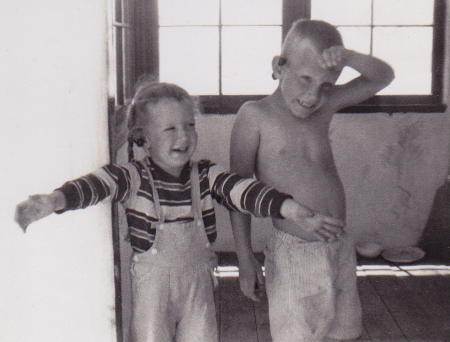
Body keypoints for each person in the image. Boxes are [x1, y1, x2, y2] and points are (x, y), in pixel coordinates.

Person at [14, 80, 345, 342]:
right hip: (151, 291)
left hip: (198, 286)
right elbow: (96, 184)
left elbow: (242, 190)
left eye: (189, 125)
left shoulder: (204, 174)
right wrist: (57, 200)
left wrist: (291, 209)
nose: (183, 136)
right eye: (170, 129)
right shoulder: (132, 176)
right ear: (141, 136)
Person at [229, 19, 395, 341]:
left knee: (344, 332)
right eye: (305, 78)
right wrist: (244, 258)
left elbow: (383, 76)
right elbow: (236, 193)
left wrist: (348, 58)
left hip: (338, 244)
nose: (313, 95)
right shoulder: (255, 115)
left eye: (326, 85)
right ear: (279, 67)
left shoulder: (325, 106)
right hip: (295, 253)